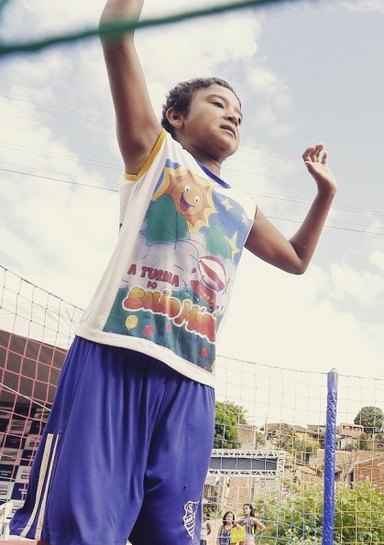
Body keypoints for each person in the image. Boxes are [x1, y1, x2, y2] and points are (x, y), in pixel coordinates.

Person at [10, 1, 337, 544]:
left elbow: (298, 260)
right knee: (82, 528)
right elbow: (116, 33)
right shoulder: (155, 156)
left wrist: (325, 193)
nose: (233, 114)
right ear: (177, 118)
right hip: (116, 352)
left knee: (170, 533)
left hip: (192, 381)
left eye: (240, 112)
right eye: (218, 103)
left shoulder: (242, 206)